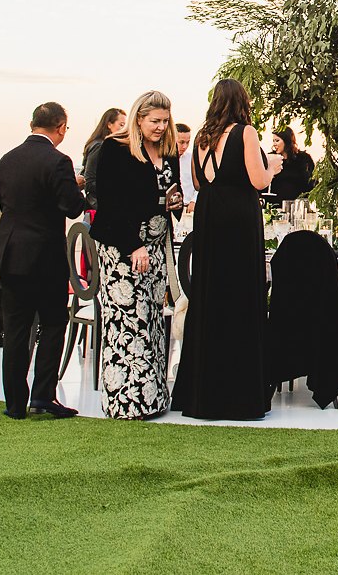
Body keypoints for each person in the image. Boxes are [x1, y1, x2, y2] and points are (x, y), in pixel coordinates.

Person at [171, 78, 279, 420]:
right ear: (241, 102)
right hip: (238, 215)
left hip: (210, 212)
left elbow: (200, 182)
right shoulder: (245, 132)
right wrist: (273, 167)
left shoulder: (202, 137)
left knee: (210, 297)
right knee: (240, 299)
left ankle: (203, 393)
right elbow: (259, 181)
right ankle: (238, 396)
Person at [85, 91, 182, 420]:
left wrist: (175, 204)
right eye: (155, 121)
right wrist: (133, 245)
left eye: (164, 121)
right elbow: (110, 204)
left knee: (154, 320)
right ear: (138, 118)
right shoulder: (114, 148)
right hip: (122, 246)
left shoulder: (168, 151)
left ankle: (153, 399)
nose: (160, 127)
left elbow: (171, 191)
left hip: (157, 246)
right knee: (127, 321)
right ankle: (125, 403)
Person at [0, 102, 88, 419]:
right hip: (44, 257)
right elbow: (72, 208)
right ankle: (44, 396)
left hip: (10, 254)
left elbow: (8, 202)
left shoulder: (7, 160)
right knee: (52, 324)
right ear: (61, 127)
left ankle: (15, 403)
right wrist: (77, 186)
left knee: (16, 330)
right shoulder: (59, 161)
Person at [268, 127, 315, 202]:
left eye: (277, 141)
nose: (274, 144)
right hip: (275, 204)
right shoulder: (271, 158)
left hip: (297, 204)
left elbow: (311, 183)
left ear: (286, 140)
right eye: (273, 141)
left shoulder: (303, 158)